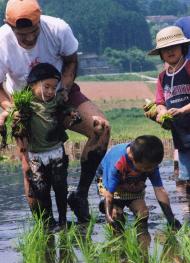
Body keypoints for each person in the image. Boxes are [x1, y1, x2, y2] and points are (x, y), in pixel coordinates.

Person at [0, 0, 110, 223]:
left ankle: (79, 195)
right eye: (23, 35)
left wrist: (65, 90)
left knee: (102, 128)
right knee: (29, 167)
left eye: (34, 32)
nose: (30, 39)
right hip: (24, 104)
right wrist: (11, 110)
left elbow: (71, 61)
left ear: (40, 21)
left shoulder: (58, 28)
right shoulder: (1, 42)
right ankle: (45, 227)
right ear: (10, 27)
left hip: (60, 95)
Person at [14, 62, 82, 228]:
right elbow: (16, 124)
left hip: (56, 152)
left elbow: (66, 108)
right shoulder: (26, 106)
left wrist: (73, 113)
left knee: (60, 187)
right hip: (36, 156)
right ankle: (48, 222)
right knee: (41, 190)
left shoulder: (55, 101)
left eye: (53, 87)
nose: (51, 91)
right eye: (46, 87)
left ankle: (64, 221)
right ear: (32, 86)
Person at [96, 135, 181, 236]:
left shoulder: (150, 163)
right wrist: (108, 216)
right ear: (132, 158)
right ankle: (118, 243)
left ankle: (143, 242)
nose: (150, 170)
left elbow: (159, 189)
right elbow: (109, 193)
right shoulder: (118, 163)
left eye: (153, 167)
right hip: (108, 181)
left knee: (143, 213)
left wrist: (170, 218)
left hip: (132, 182)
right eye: (147, 168)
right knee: (115, 215)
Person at [148, 26, 190, 188]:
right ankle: (187, 211)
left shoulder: (188, 68)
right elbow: (160, 102)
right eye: (165, 49)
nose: (170, 51)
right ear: (160, 54)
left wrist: (182, 110)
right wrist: (163, 113)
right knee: (186, 178)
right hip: (180, 133)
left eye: (174, 47)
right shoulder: (162, 77)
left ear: (182, 48)